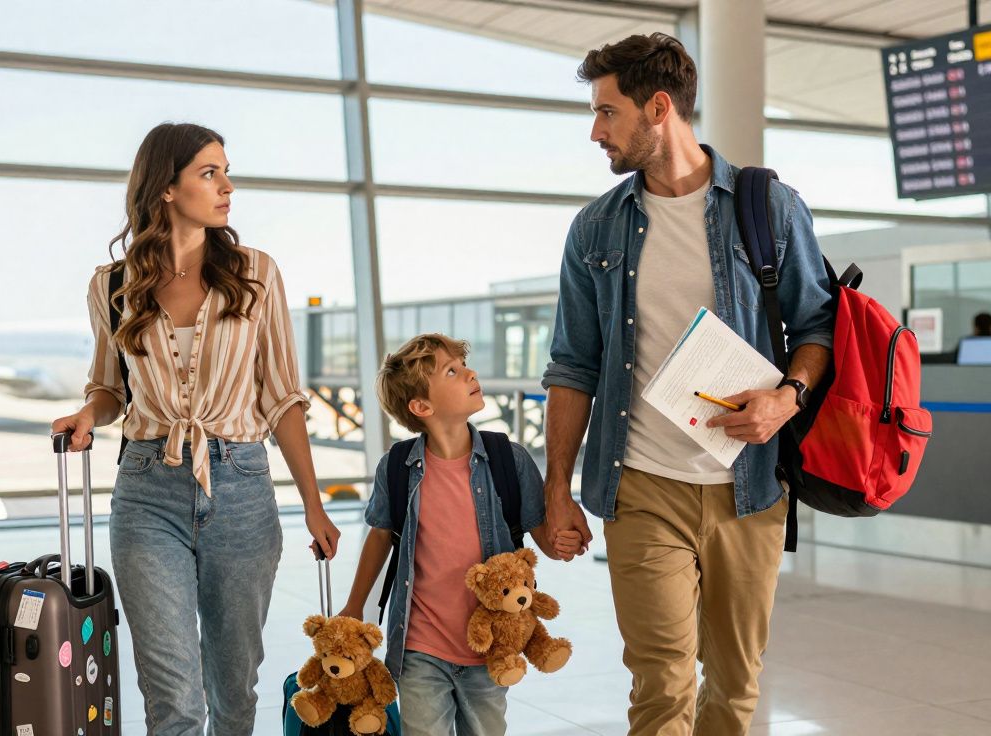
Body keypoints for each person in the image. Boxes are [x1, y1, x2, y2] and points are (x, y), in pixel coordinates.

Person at [540, 34, 835, 735]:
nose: (595, 131)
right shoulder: (595, 230)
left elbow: (819, 325)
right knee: (662, 680)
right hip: (640, 483)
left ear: (659, 107)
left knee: (734, 685)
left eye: (608, 112)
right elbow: (573, 363)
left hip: (749, 485)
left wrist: (786, 398)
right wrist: (556, 485)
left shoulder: (767, 208)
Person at [51, 122, 341, 735]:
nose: (227, 186)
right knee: (172, 692)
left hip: (241, 486)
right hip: (146, 488)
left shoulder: (257, 273)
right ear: (165, 188)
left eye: (225, 170)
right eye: (210, 173)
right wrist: (87, 415)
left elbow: (283, 397)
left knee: (234, 688)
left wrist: (314, 504)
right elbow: (108, 387)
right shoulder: (111, 286)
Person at [337, 333, 580, 735]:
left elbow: (540, 535)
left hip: (491, 649)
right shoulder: (396, 467)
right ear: (422, 406)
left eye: (463, 365)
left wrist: (561, 546)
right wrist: (354, 603)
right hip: (419, 646)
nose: (470, 373)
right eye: (452, 371)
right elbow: (380, 536)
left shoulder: (508, 459)